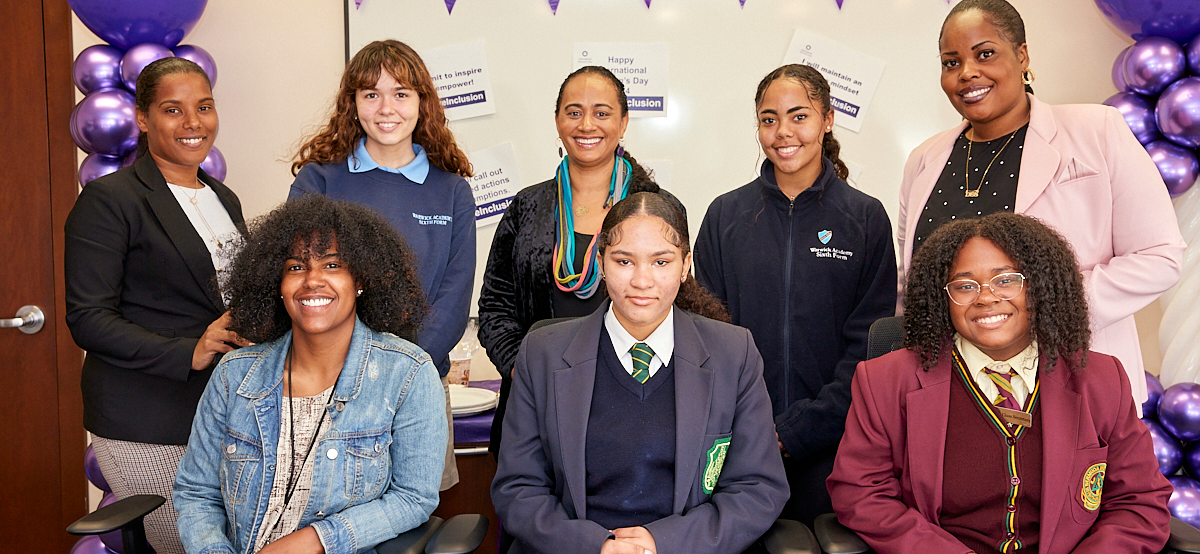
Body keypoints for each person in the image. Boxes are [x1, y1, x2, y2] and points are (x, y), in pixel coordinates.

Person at [898, 0, 1185, 412]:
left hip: (1073, 383)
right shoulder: (924, 160)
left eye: (985, 54)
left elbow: (1159, 256)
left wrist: (1041, 307)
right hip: (953, 392)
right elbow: (911, 287)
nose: (967, 72)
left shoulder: (1097, 130)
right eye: (951, 62)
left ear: (1022, 56)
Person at [827, 212, 1172, 554]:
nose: (985, 298)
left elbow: (1138, 501)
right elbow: (861, 493)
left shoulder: (1101, 378)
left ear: (1039, 286)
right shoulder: (885, 381)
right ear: (943, 298)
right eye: (965, 286)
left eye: (1005, 280)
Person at [492, 192, 788, 554]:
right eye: (624, 261)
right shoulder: (542, 353)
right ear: (601, 263)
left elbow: (757, 488)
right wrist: (596, 546)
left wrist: (662, 542)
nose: (642, 281)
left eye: (661, 262)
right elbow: (518, 488)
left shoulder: (733, 353)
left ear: (685, 266)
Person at [174, 195, 446, 553]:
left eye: (332, 265)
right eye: (296, 267)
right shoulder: (234, 374)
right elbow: (196, 493)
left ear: (360, 280)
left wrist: (316, 539)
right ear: (277, 284)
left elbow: (413, 498)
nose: (312, 281)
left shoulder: (407, 374)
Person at [693, 64, 896, 525]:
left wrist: (801, 430)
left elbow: (869, 350)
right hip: (737, 445)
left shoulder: (865, 218)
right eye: (769, 119)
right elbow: (707, 337)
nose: (783, 131)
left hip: (834, 446)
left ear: (827, 120)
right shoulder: (725, 216)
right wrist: (750, 427)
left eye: (799, 116)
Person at [64, 57, 245, 554]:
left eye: (204, 107)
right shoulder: (111, 200)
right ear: (143, 118)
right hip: (147, 419)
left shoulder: (223, 198)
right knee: (191, 546)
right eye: (173, 109)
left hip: (220, 413)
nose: (193, 123)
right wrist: (190, 350)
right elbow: (88, 318)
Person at [289, 39, 473, 490]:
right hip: (332, 386)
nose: (386, 108)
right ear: (352, 104)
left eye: (401, 94)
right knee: (334, 510)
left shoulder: (451, 190)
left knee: (417, 510)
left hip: (421, 382)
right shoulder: (319, 180)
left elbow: (453, 297)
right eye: (371, 94)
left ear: (422, 103)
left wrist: (401, 372)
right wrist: (354, 373)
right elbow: (306, 284)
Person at [478, 66, 684, 455]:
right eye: (574, 112)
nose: (586, 124)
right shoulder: (526, 207)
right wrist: (526, 370)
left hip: (633, 402)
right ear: (558, 121)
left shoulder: (660, 208)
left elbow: (677, 309)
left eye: (601, 112)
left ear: (623, 122)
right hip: (536, 401)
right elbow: (495, 306)